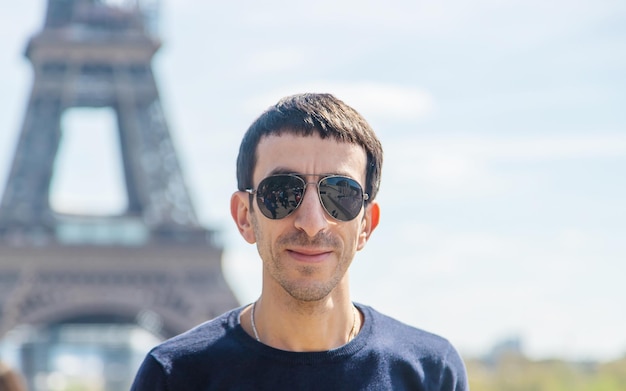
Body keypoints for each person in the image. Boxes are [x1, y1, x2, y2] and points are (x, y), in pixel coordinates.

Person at [131, 93, 469, 390]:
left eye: (340, 194)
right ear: (244, 216)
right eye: (281, 192)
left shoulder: (432, 372)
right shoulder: (174, 376)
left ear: (366, 224)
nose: (311, 222)